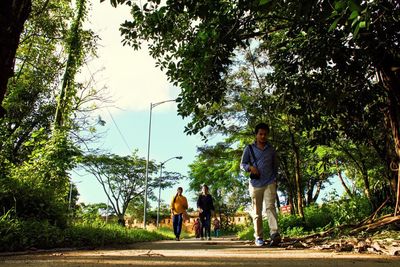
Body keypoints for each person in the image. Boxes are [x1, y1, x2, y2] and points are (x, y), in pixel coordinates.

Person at [240, 122, 281, 247]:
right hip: (255, 184)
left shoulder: (271, 149)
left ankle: (274, 234)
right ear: (256, 135)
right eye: (260, 134)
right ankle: (259, 237)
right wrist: (250, 168)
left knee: (270, 207)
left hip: (269, 182)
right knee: (257, 212)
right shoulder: (249, 148)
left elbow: (275, 166)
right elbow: (242, 164)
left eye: (265, 134)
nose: (263, 136)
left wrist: (274, 179)